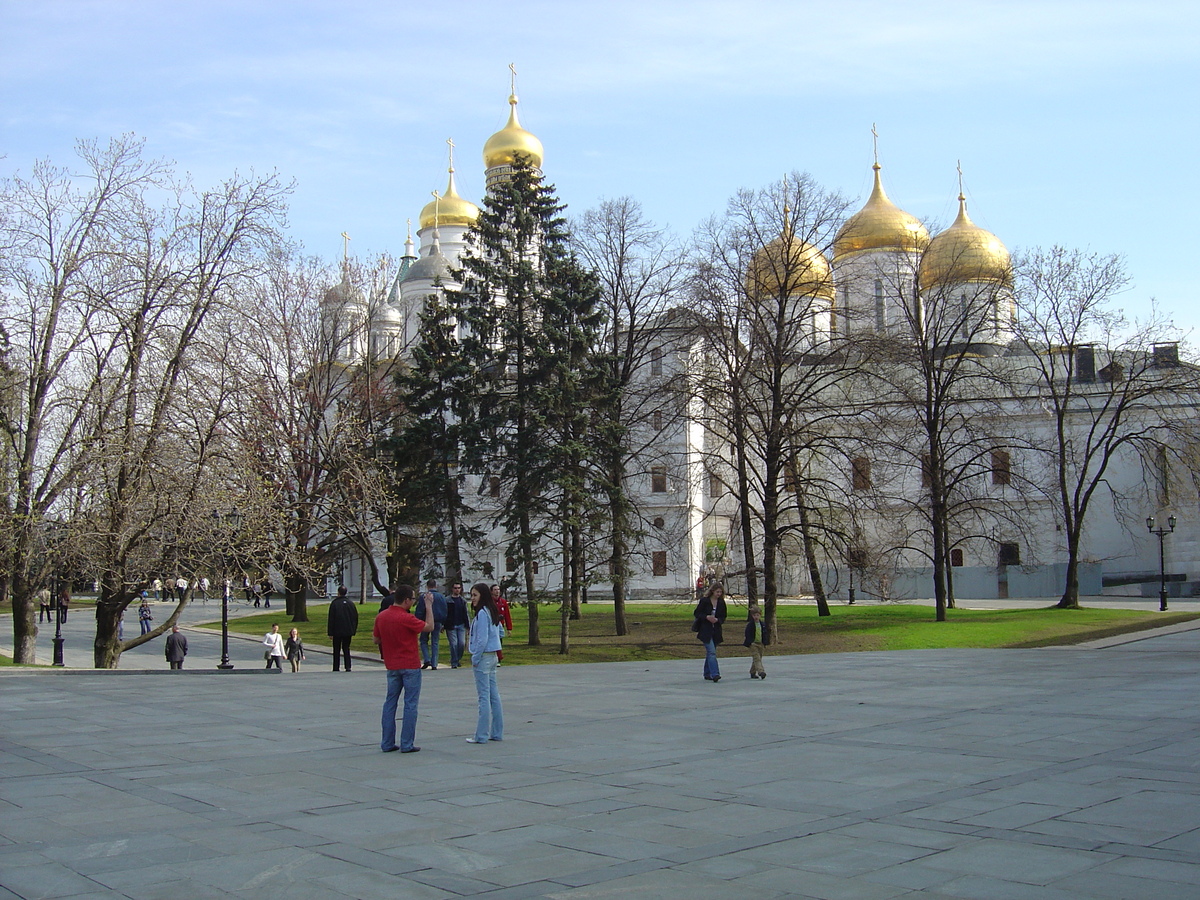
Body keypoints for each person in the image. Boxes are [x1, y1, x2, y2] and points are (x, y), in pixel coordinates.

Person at [373, 584, 434, 753]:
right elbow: (429, 627)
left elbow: (376, 639)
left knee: (390, 702)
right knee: (410, 704)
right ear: (406, 600)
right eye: (413, 599)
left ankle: (387, 742)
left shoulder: (382, 617)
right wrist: (428, 606)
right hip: (410, 664)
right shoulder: (407, 618)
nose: (413, 603)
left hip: (392, 665)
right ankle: (407, 743)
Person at [466, 582, 504, 744]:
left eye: (475, 595)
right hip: (493, 655)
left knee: (484, 697)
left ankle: (481, 735)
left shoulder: (482, 613)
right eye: (471, 595)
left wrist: (475, 657)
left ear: (482, 595)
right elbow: (500, 631)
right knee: (493, 695)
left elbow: (482, 639)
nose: (472, 599)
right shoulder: (492, 610)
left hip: (484, 657)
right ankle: (496, 732)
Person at [692, 581, 728, 682]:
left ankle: (707, 673)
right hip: (705, 630)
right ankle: (715, 674)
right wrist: (707, 617)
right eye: (717, 592)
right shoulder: (705, 601)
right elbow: (697, 613)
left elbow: (723, 616)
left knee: (710, 653)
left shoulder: (721, 602)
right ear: (712, 591)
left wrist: (718, 620)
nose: (719, 594)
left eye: (720, 592)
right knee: (712, 652)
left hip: (716, 630)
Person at [414, 580, 447, 670]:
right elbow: (445, 610)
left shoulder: (424, 597)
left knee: (423, 640)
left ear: (427, 586)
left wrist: (418, 620)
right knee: (435, 641)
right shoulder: (441, 597)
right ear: (435, 586)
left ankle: (427, 659)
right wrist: (443, 623)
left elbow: (420, 610)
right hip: (438, 621)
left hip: (426, 621)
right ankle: (434, 663)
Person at [327, 585, 359, 671]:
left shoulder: (334, 603)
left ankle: (336, 667)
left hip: (337, 630)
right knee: (346, 648)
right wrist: (353, 630)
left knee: (336, 649)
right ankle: (348, 666)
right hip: (348, 630)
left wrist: (330, 632)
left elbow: (331, 619)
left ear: (338, 592)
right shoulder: (350, 604)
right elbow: (355, 618)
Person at [444, 582, 470, 668]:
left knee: (461, 644)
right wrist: (443, 625)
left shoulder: (462, 601)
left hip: (461, 625)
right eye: (455, 588)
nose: (457, 590)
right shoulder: (447, 600)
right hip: (451, 625)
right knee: (454, 644)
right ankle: (454, 662)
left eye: (458, 588)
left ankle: (457, 659)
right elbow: (444, 613)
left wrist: (468, 626)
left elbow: (466, 613)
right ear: (452, 589)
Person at [743, 606, 769, 680]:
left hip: (761, 643)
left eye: (757, 615)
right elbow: (747, 633)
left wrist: (765, 642)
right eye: (754, 615)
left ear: (760, 615)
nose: (756, 617)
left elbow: (765, 634)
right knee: (756, 658)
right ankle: (761, 672)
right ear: (752, 616)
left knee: (758, 658)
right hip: (753, 644)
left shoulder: (762, 624)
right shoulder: (750, 625)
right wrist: (750, 642)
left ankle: (752, 672)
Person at [490, 584, 513, 662]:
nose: (497, 591)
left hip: (500, 625)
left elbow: (507, 615)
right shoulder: (489, 602)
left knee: (499, 641)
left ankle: (498, 658)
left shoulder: (503, 602)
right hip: (492, 625)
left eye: (498, 590)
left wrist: (509, 628)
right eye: (495, 590)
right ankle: (496, 657)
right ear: (491, 592)